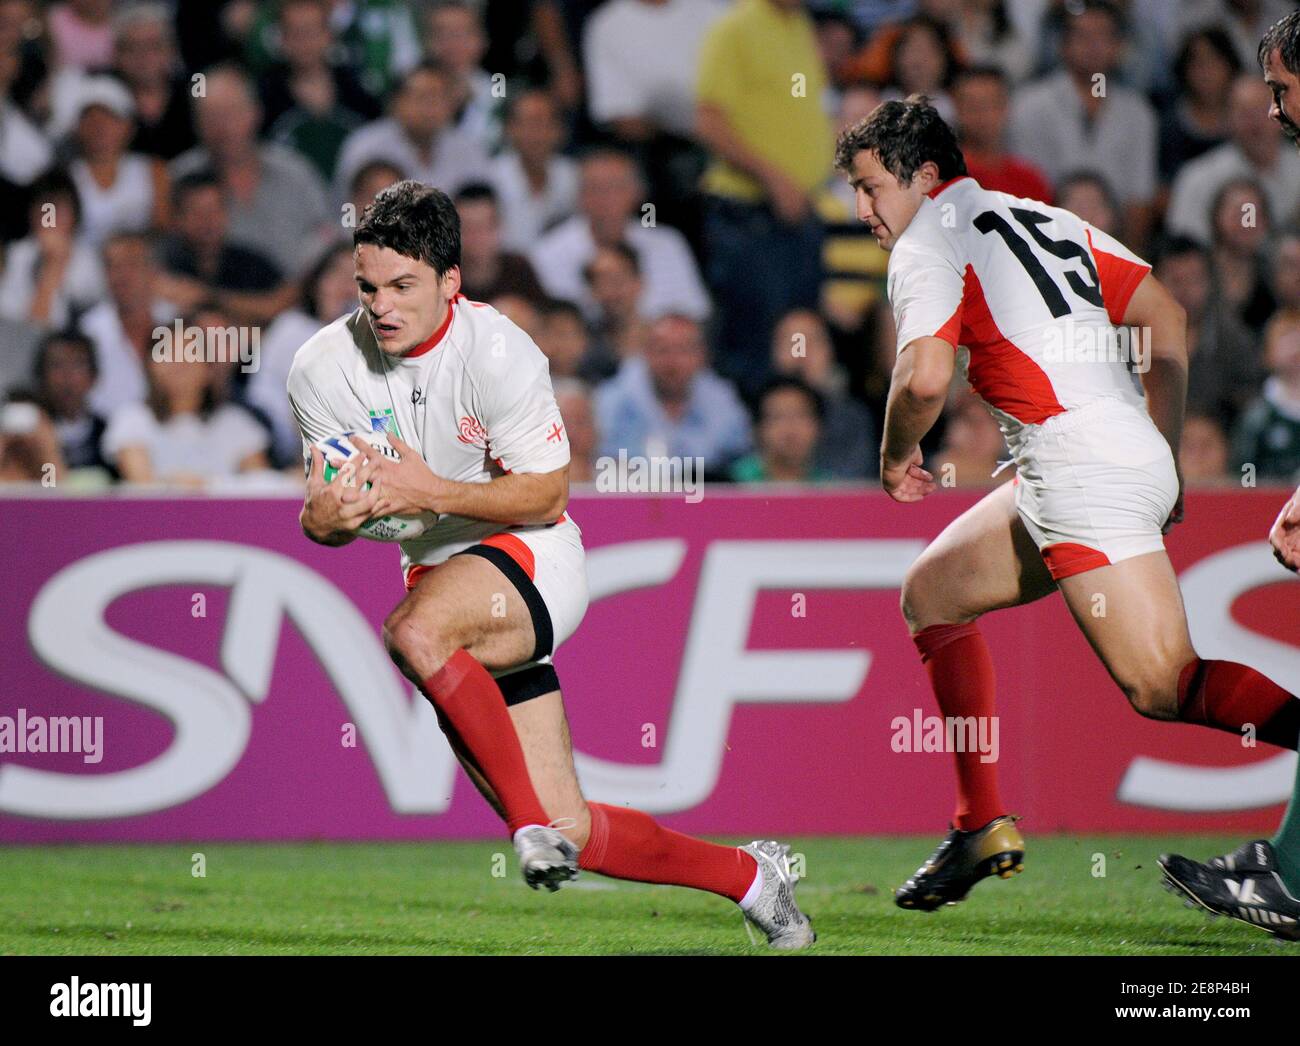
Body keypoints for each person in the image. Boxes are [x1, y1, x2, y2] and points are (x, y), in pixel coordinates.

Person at [285, 180, 813, 948]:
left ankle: (522, 825)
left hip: (533, 555)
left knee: (413, 633)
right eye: (369, 287)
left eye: (404, 286)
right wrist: (323, 521)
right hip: (443, 576)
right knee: (576, 826)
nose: (383, 306)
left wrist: (428, 489)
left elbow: (545, 493)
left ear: (449, 282)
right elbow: (322, 514)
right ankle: (750, 877)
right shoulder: (321, 367)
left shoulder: (497, 350)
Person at [835, 96, 1300, 919]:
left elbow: (925, 378)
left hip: (1074, 468)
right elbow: (1165, 316)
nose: (863, 210)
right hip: (1105, 451)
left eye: (872, 188)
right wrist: (1164, 453)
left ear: (928, 177)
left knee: (1164, 685)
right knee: (931, 593)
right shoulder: (1036, 217)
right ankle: (980, 822)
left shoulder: (927, 240)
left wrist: (896, 452)